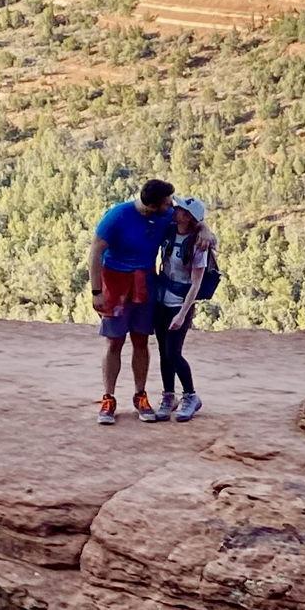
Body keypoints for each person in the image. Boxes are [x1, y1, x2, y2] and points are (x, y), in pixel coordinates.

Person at [89, 177, 176, 424]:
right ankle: (108, 399)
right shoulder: (118, 216)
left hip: (144, 281)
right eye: (167, 201)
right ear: (154, 205)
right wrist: (97, 291)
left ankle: (140, 396)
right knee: (114, 342)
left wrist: (204, 230)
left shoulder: (165, 214)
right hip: (115, 281)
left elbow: (189, 221)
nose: (171, 204)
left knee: (141, 340)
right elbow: (95, 251)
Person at [151, 196, 214, 422]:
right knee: (162, 352)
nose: (175, 210)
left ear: (188, 217)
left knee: (173, 352)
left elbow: (196, 282)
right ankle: (169, 396)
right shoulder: (170, 230)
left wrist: (182, 313)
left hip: (179, 303)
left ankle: (191, 395)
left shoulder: (198, 243)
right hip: (161, 299)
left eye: (181, 210)